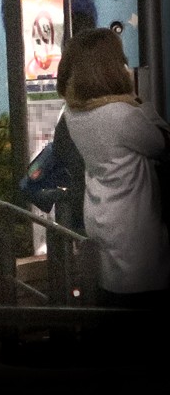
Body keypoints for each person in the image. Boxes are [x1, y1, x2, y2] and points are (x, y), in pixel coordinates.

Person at [56, 27, 170, 310]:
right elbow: (161, 143)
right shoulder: (122, 115)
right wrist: (140, 103)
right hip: (135, 224)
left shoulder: (73, 113)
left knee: (113, 298)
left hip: (101, 213)